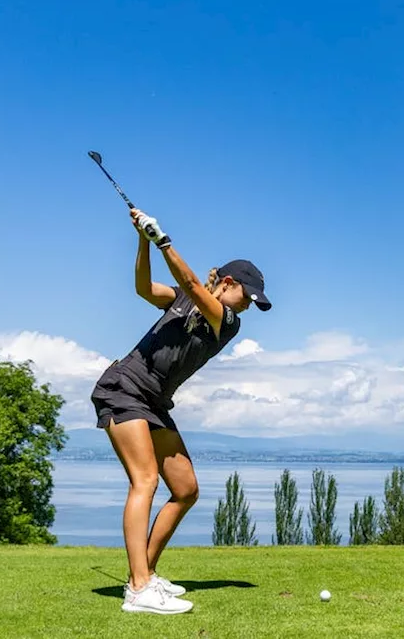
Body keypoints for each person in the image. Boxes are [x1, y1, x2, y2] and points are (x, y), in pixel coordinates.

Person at [90, 206, 271, 615]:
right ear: (228, 282)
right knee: (145, 481)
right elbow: (143, 288)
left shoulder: (226, 319)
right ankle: (138, 589)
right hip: (124, 389)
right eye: (248, 297)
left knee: (185, 489)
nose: (247, 307)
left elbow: (189, 280)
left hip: (153, 401)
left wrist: (163, 239)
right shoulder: (183, 301)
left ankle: (146, 574)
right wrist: (145, 240)